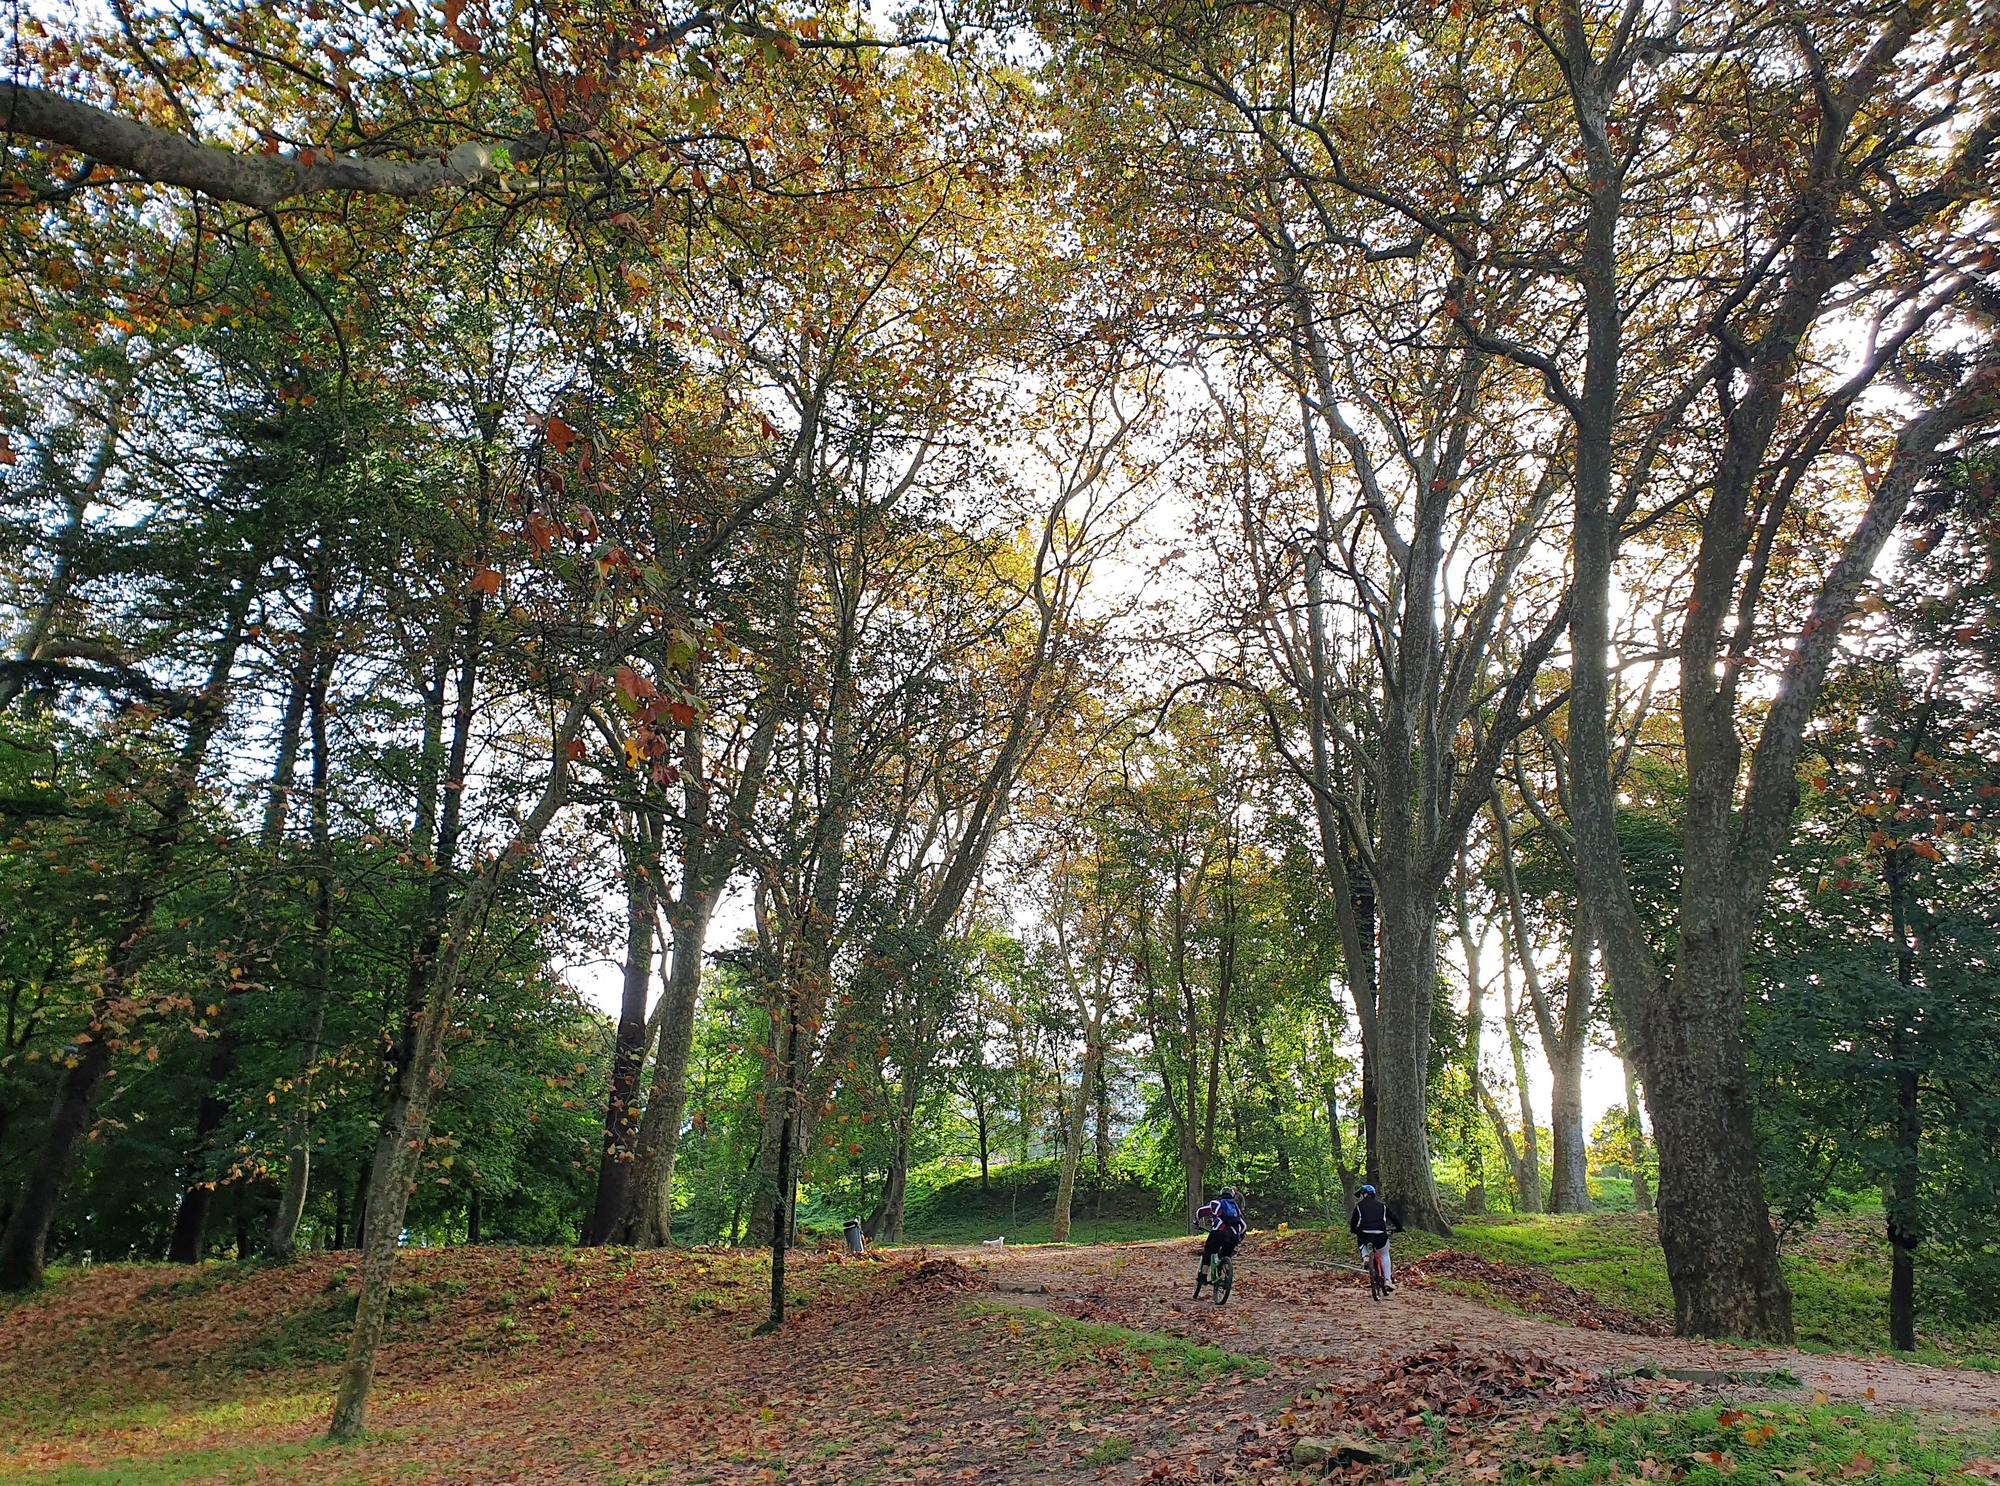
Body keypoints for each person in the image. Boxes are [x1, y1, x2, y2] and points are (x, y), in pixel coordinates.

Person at [1192, 1186, 1248, 1297]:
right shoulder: (1236, 1207)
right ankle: (1227, 1276)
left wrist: (1196, 1221)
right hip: (1233, 1236)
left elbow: (1200, 1212)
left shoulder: (1216, 1204)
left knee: (1208, 1252)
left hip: (1218, 1232)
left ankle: (1203, 1276)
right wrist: (1240, 1237)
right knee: (1226, 1254)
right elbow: (1243, 1225)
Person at [1349, 1183, 1402, 1291]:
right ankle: (1388, 1280)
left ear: (1364, 1195)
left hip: (1364, 1233)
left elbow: (1354, 1221)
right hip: (1380, 1234)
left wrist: (1354, 1230)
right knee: (1384, 1254)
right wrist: (1399, 1228)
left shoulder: (1359, 1206)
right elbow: (1393, 1218)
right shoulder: (1382, 1206)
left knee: (1361, 1241)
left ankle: (1365, 1257)